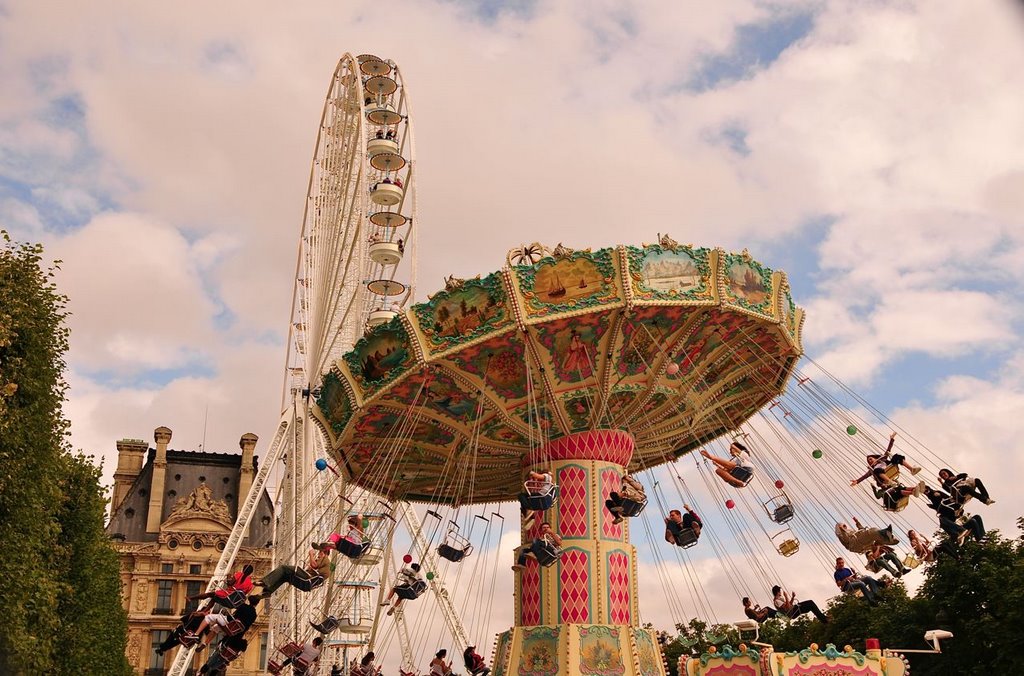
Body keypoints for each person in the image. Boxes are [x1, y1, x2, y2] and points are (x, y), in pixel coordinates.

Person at [257, 544, 333, 598]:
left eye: (320, 551)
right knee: (285, 576)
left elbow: (314, 565)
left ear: (324, 552)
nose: (318, 553)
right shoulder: (325, 563)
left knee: (283, 568)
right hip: (308, 584)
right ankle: (268, 591)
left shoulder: (325, 558)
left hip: (307, 579)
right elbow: (313, 569)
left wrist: (311, 555)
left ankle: (265, 582)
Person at [191, 595, 260, 649]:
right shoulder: (254, 615)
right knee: (216, 628)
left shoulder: (243, 606)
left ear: (249, 601)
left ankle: (196, 634)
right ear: (257, 604)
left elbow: (235, 614)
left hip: (229, 623)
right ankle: (205, 643)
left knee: (208, 617)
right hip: (235, 630)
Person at [188, 564, 255, 606]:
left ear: (243, 569)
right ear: (250, 573)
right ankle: (205, 610)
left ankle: (192, 598)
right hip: (234, 602)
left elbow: (229, 584)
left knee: (209, 594)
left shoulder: (239, 574)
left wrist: (228, 577)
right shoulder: (250, 584)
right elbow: (243, 595)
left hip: (226, 596)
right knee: (214, 598)